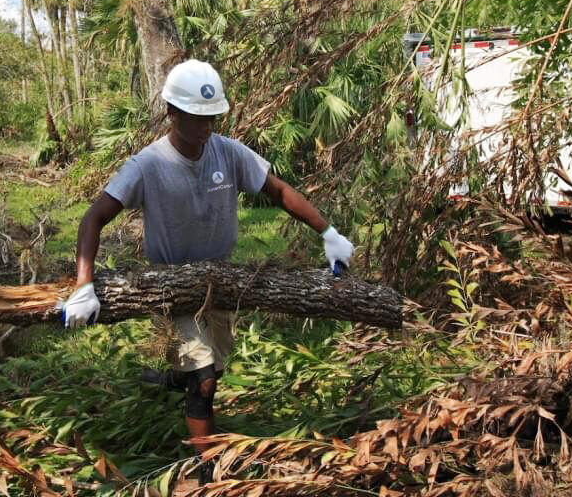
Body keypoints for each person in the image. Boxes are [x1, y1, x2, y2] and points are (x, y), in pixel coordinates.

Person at [60, 59, 355, 484]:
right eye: (197, 117)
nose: (205, 126)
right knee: (204, 382)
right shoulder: (147, 165)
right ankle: (209, 474)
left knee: (211, 368)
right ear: (172, 113)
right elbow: (93, 219)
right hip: (172, 287)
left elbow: (279, 191)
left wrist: (328, 232)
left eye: (212, 116)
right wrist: (84, 285)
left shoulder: (229, 153)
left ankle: (168, 379)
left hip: (221, 282)